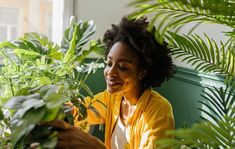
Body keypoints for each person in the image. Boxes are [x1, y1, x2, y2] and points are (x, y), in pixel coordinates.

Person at [52, 16, 176, 149]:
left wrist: (95, 146)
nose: (111, 72)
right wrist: (48, 109)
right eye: (109, 63)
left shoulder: (159, 110)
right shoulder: (113, 98)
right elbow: (80, 110)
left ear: (142, 72)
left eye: (122, 67)